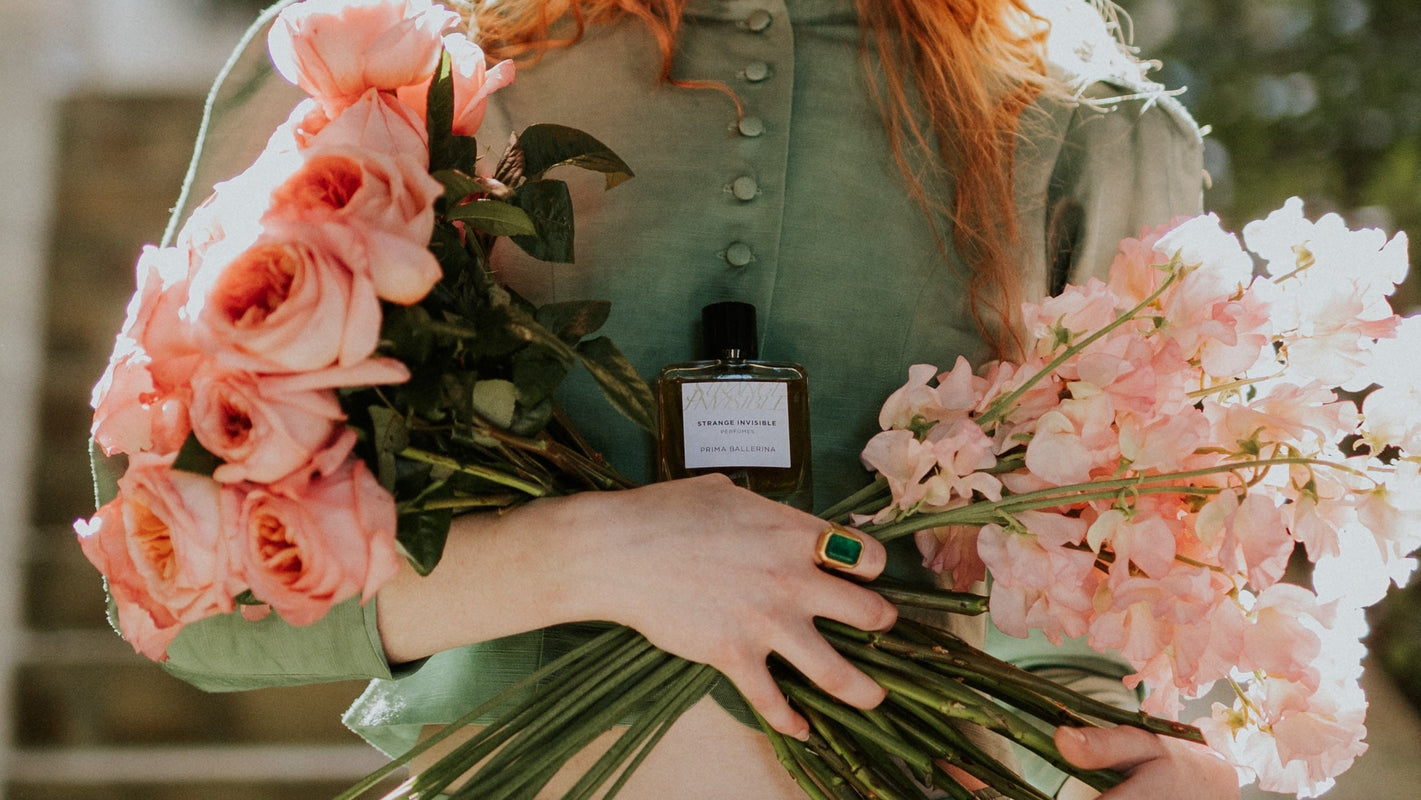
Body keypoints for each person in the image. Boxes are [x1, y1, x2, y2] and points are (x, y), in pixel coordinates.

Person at [150, 0, 1239, 797]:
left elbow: (1094, 635)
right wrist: (592, 554)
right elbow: (196, 610)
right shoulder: (382, 62)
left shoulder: (1088, 129)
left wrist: (1145, 766)